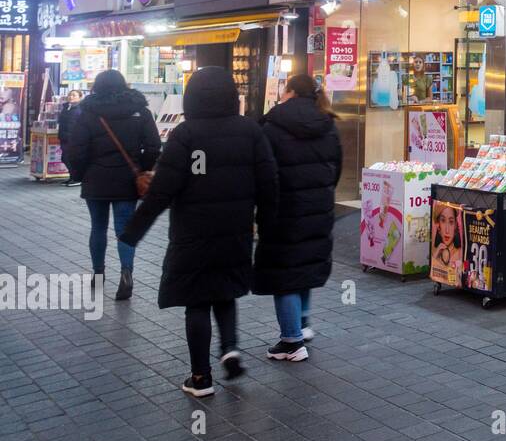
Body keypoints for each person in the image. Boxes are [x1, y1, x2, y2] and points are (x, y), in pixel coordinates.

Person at [121, 67, 278, 398]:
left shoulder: (185, 135)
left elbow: (162, 190)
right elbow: (269, 185)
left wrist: (133, 231)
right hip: (235, 230)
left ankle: (201, 377)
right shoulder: (250, 131)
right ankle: (230, 349)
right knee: (225, 290)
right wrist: (267, 226)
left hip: (192, 233)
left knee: (196, 301)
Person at [254, 75, 341, 362]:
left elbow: (264, 173)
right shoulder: (327, 123)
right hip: (318, 209)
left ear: (290, 92)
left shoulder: (272, 126)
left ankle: (291, 342)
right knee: (304, 265)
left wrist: (260, 208)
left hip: (283, 211)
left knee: (284, 275)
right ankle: (302, 325)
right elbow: (336, 168)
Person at [61, 71, 161, 300]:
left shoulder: (88, 113)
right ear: (124, 85)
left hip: (95, 179)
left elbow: (76, 150)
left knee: (98, 228)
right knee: (124, 228)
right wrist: (141, 168)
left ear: (97, 86)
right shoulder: (140, 111)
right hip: (127, 180)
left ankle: (98, 274)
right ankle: (126, 273)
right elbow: (154, 146)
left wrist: (81, 173)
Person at [57, 90, 86, 187]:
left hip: (74, 138)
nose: (71, 97)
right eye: (70, 95)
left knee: (69, 158)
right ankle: (72, 177)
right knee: (65, 158)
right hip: (64, 137)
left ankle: (77, 178)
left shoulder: (80, 109)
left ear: (80, 97)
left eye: (74, 95)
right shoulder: (66, 107)